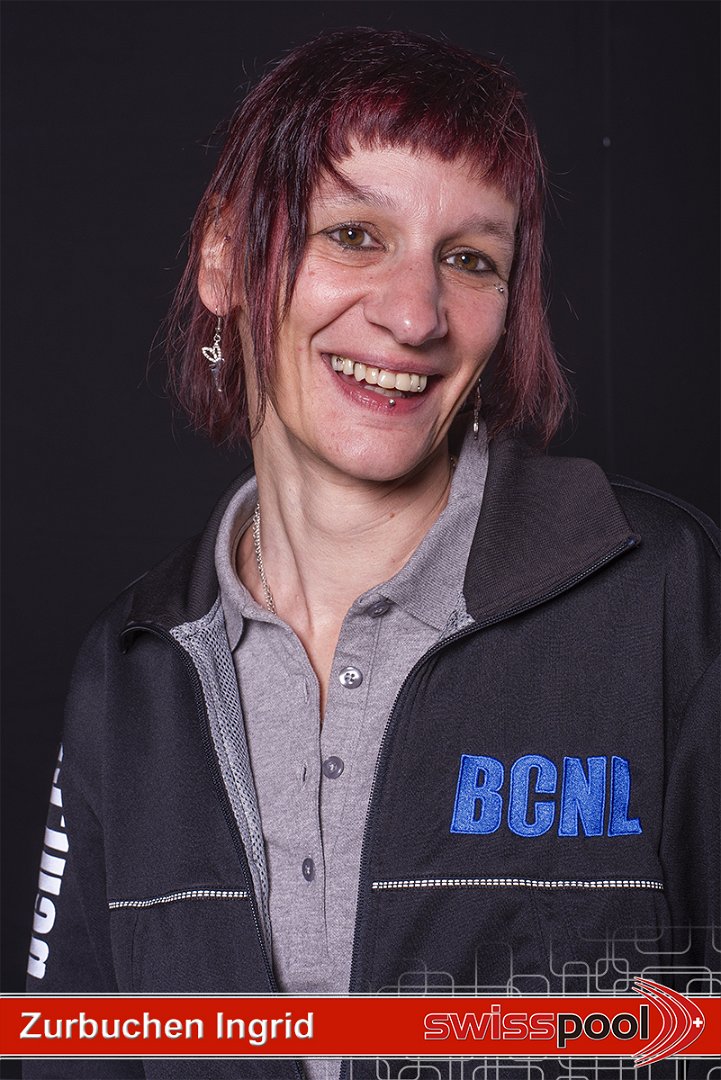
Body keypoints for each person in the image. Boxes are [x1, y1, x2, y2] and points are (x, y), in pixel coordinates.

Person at [25, 26, 719, 1080]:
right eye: (354, 235)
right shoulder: (130, 673)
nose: (413, 314)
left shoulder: (665, 598)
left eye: (469, 259)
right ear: (224, 258)